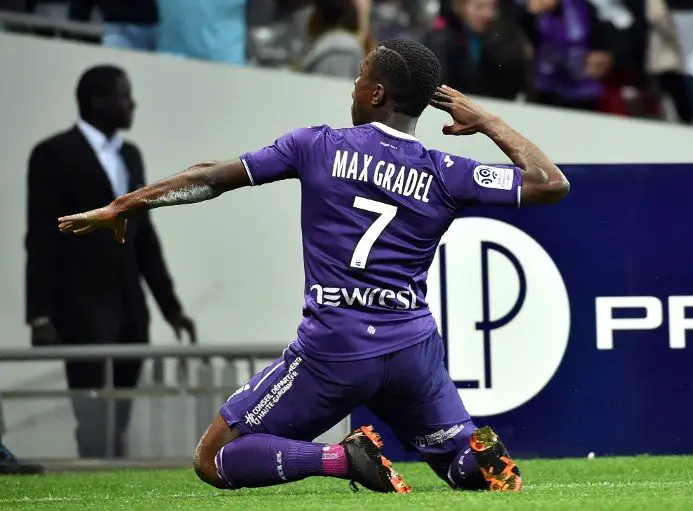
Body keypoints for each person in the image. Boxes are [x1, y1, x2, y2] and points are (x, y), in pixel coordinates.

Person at [57, 39, 569, 492]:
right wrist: (488, 121)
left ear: (376, 94)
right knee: (452, 459)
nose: (353, 87)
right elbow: (549, 183)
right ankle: (474, 459)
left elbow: (210, 177)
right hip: (413, 350)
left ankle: (340, 458)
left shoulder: (316, 145)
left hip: (336, 349)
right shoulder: (445, 172)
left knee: (212, 458)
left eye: (360, 77)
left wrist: (124, 205)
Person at [26, 65, 196, 459]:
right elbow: (40, 237)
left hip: (130, 308)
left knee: (119, 416)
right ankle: (92, 481)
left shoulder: (130, 156)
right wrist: (39, 315)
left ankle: (112, 474)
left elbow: (144, 236)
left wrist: (170, 307)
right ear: (97, 100)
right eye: (123, 95)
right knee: (92, 418)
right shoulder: (53, 154)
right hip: (80, 307)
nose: (131, 103)